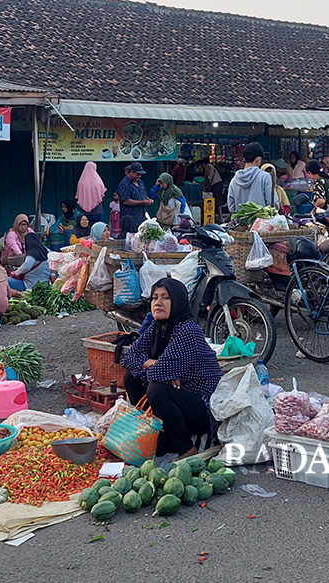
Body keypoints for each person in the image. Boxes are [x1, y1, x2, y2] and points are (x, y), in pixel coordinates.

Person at [119, 277, 222, 458]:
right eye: (155, 297)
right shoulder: (156, 328)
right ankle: (154, 433)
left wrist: (160, 371)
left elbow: (158, 374)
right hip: (180, 398)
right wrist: (155, 365)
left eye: (166, 297)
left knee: (157, 388)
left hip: (204, 406)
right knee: (131, 377)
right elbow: (127, 357)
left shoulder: (187, 331)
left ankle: (186, 448)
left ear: (178, 300)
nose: (158, 302)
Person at [227, 142, 274, 213]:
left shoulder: (234, 180)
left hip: (240, 222)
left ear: (243, 158)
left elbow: (231, 207)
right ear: (258, 159)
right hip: (261, 222)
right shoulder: (264, 177)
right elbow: (272, 202)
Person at [10, 225, 51, 291]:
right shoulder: (47, 251)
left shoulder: (32, 254)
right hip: (45, 285)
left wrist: (16, 272)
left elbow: (27, 266)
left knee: (6, 281)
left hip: (30, 286)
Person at [118, 162, 153, 237]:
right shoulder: (124, 184)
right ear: (131, 172)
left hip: (141, 216)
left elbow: (144, 195)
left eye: (140, 175)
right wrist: (142, 202)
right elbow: (126, 201)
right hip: (130, 219)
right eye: (137, 174)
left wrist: (148, 200)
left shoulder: (140, 182)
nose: (139, 176)